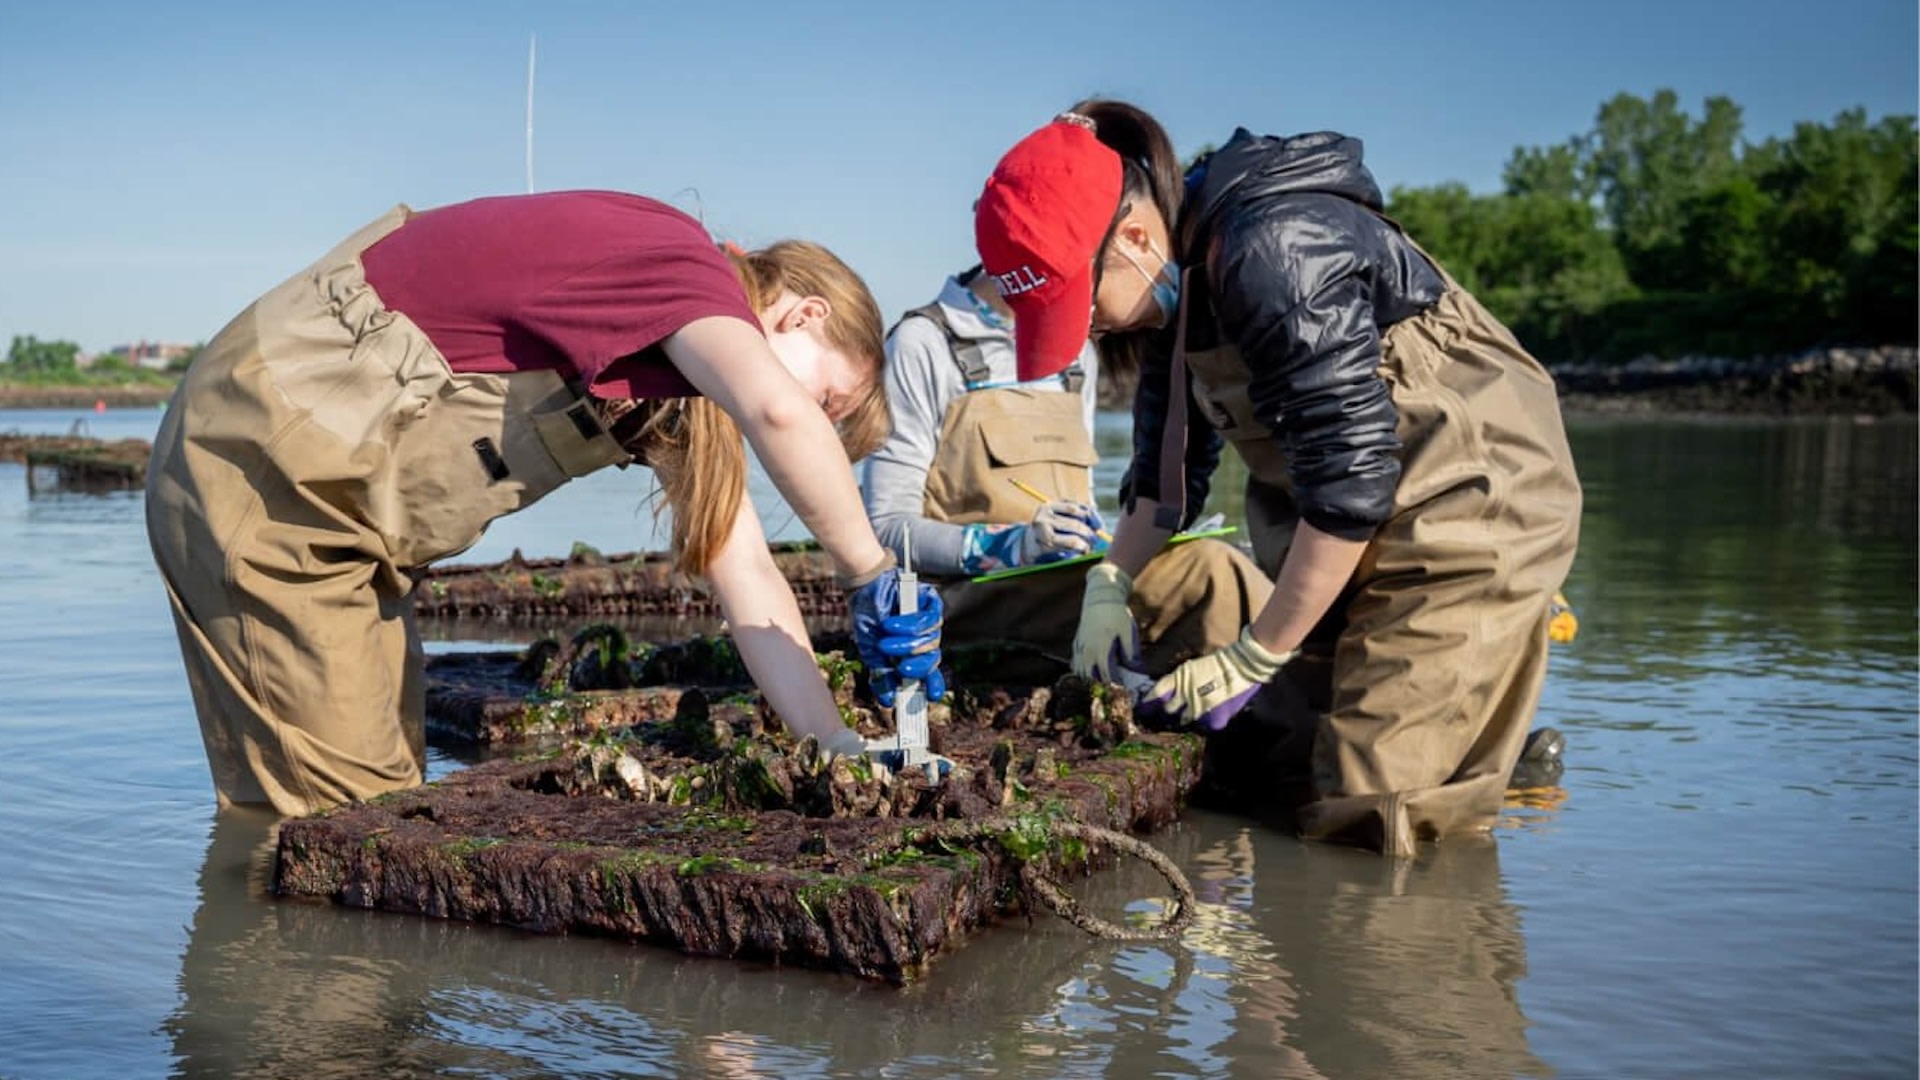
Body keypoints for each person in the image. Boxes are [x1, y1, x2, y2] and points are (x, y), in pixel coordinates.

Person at [146, 191, 941, 817]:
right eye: (831, 402)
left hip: (342, 527)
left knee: (367, 786)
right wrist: (869, 571)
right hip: (271, 475)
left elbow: (749, 576)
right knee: (351, 817)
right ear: (804, 314)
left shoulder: (677, 391)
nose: (815, 426)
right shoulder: (680, 265)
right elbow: (778, 411)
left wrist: (833, 739)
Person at [973, 102, 1582, 856]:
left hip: (1467, 505)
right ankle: (1481, 755)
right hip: (1342, 517)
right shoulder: (1173, 289)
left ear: (1132, 238)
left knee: (1365, 803)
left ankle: (1469, 781)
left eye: (1084, 306)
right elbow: (1164, 482)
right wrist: (1108, 586)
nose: (1091, 329)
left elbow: (1349, 488)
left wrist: (1254, 654)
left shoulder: (1275, 249)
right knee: (1278, 760)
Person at [861, 262, 1268, 679]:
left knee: (1216, 561)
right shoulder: (922, 342)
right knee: (1208, 569)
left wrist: (1100, 541)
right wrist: (1015, 545)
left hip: (1065, 592)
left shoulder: (1077, 349)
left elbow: (1084, 501)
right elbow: (886, 529)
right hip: (964, 603)